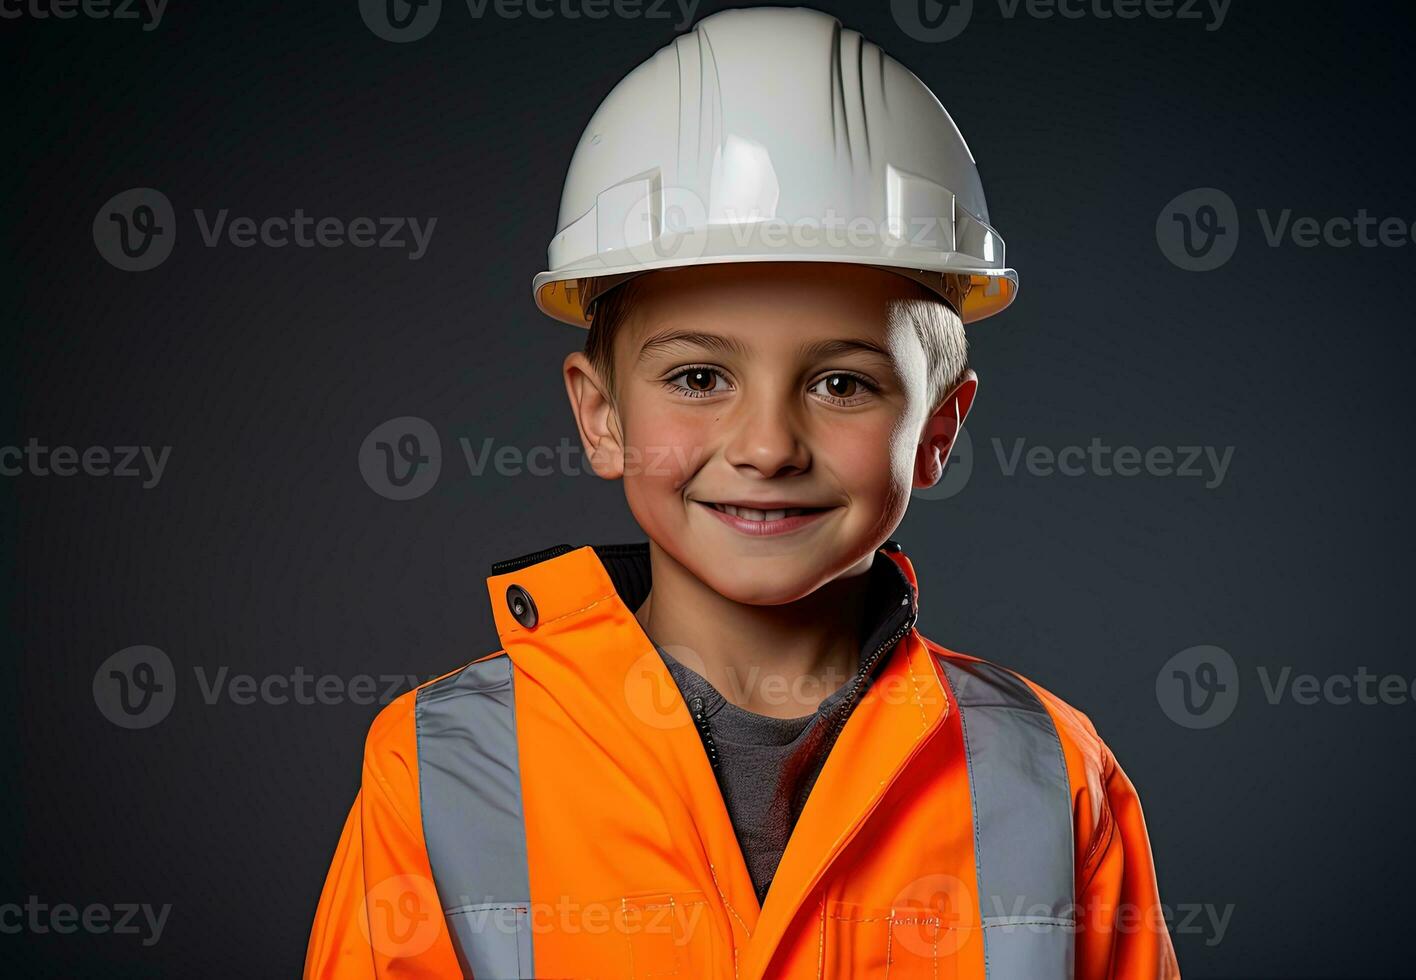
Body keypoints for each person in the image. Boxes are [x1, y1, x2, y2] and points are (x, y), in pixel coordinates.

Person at [304, 7, 1180, 977]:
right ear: (601, 417)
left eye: (842, 383)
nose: (767, 446)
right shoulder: (442, 763)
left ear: (938, 428)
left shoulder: (1050, 769)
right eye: (698, 378)